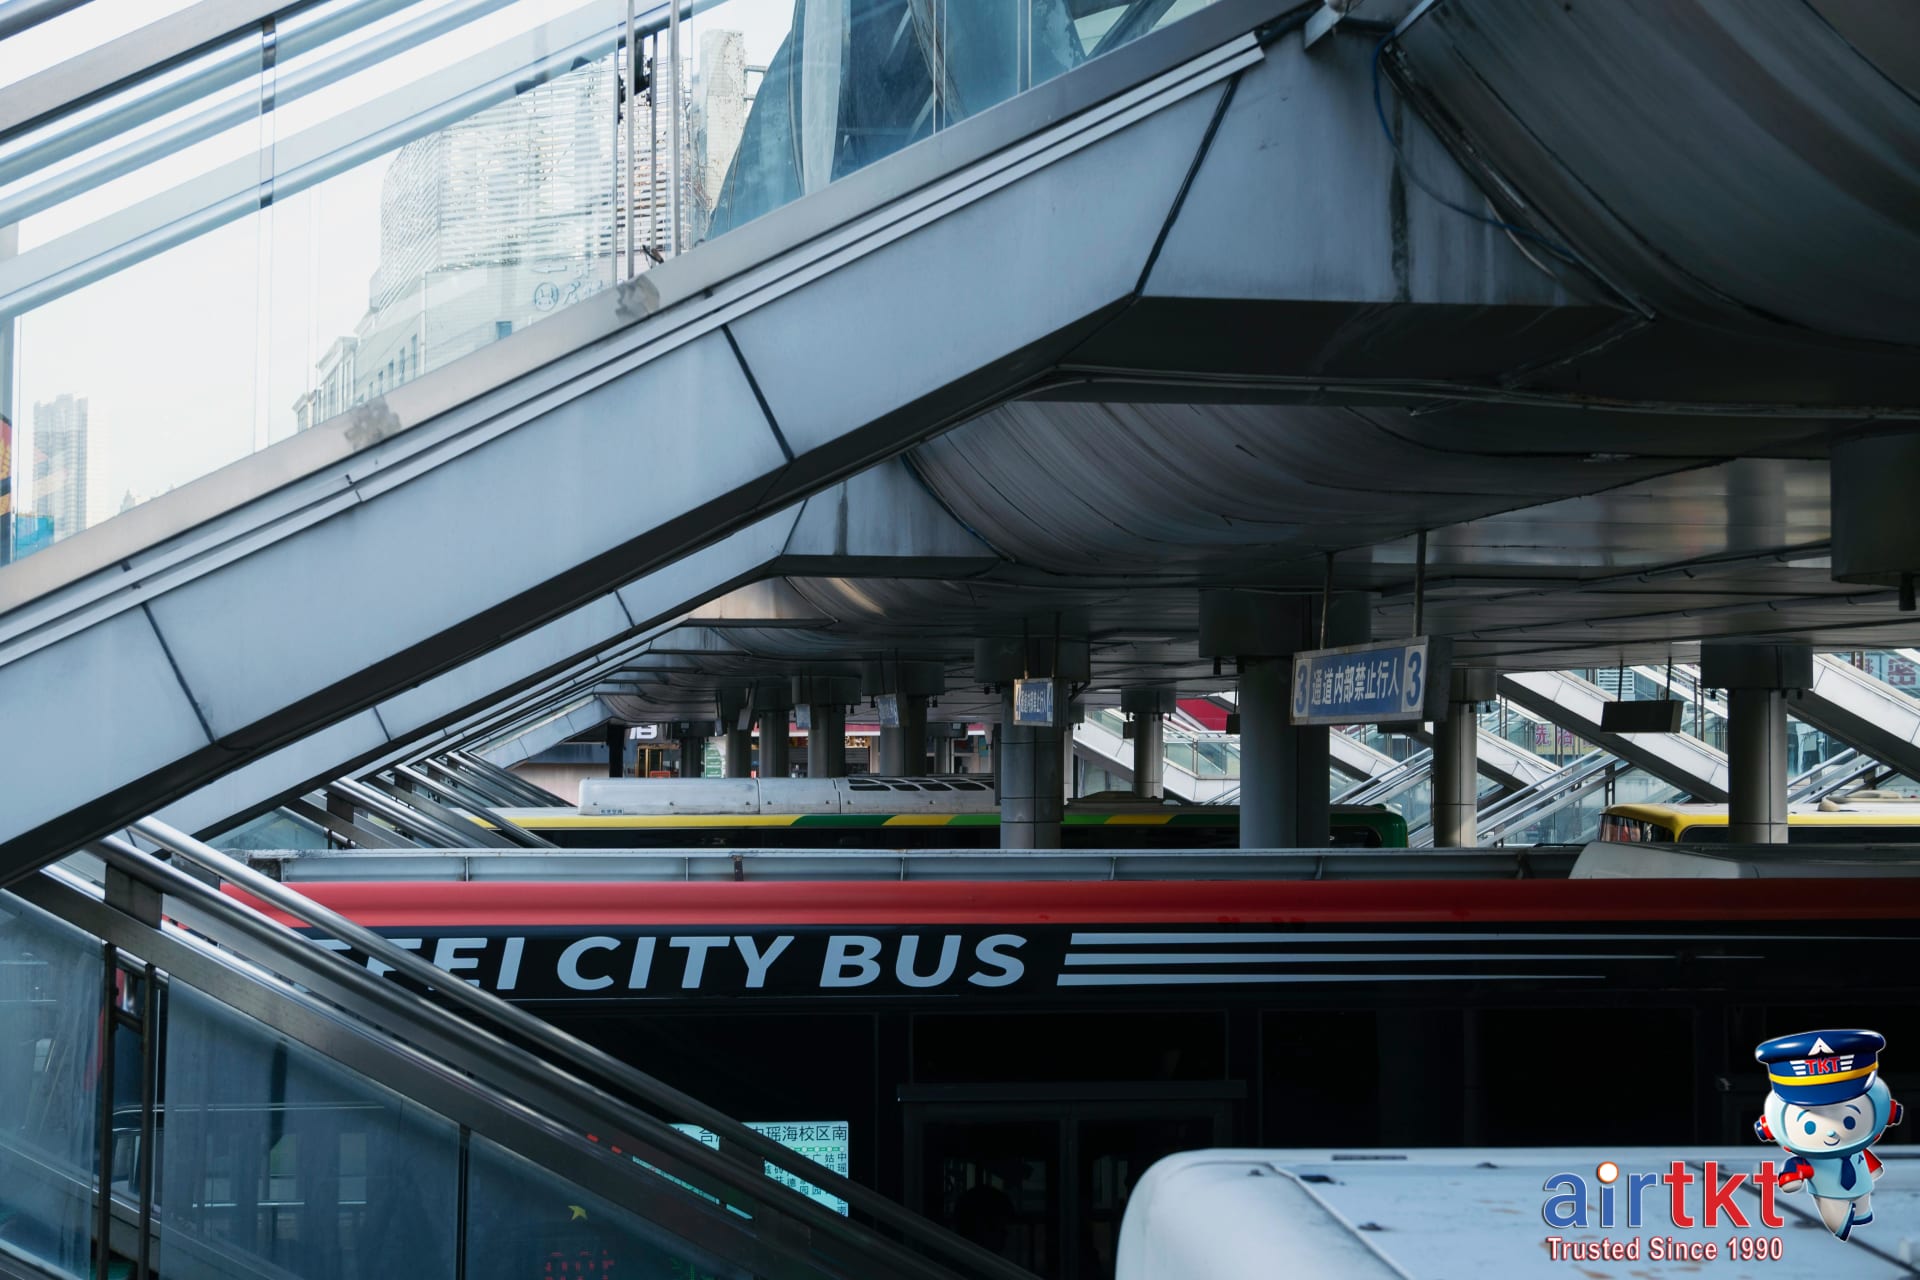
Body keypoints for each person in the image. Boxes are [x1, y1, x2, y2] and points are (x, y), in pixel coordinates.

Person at [1754, 1029, 1903, 1241]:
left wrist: (1874, 1169)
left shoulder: (1862, 1143)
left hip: (1863, 1192)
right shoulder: (1804, 1154)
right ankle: (1842, 1226)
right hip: (1828, 1195)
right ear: (1770, 1126)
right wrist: (1792, 1177)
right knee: (1840, 1223)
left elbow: (1867, 1163)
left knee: (1865, 1218)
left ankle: (1861, 1216)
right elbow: (1792, 1174)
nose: (1832, 1131)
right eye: (1810, 1125)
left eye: (1847, 1119)